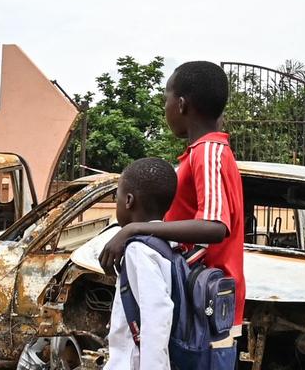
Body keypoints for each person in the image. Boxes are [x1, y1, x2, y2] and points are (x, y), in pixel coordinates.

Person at [100, 61, 244, 369]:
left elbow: (216, 226)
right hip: (197, 308)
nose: (164, 105)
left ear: (181, 104)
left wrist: (133, 229)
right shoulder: (198, 154)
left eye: (166, 97)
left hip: (205, 313)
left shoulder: (210, 152)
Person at [105, 157, 179, 370]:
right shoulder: (165, 243)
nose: (116, 202)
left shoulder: (139, 250)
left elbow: (156, 320)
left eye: (116, 197)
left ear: (128, 200)